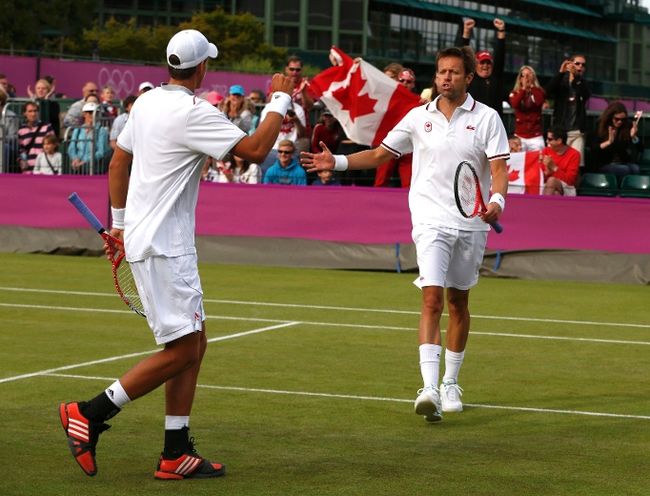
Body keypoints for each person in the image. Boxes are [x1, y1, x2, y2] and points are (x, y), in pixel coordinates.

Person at [58, 28, 294, 479]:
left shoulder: (145, 102)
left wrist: (120, 226)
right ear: (202, 67)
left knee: (194, 343)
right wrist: (278, 100)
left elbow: (117, 162)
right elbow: (257, 150)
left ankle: (175, 451)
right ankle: (89, 412)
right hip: (165, 249)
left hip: (154, 242)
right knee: (183, 350)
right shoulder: (192, 112)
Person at [301, 46, 509, 423]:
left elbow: (498, 170)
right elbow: (382, 155)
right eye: (441, 72)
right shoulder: (417, 117)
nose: (446, 77)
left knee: (459, 303)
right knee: (431, 299)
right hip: (430, 221)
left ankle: (450, 383)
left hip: (472, 224)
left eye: (454, 72)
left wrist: (497, 201)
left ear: (468, 77)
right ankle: (428, 387)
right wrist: (340, 161)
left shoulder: (489, 118)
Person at [545, 54, 591, 165]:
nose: (580, 67)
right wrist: (561, 72)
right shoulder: (562, 81)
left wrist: (576, 79)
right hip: (560, 132)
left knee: (576, 163)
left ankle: (573, 183)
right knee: (556, 162)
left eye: (583, 65)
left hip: (577, 132)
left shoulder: (582, 82)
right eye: (577, 64)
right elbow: (548, 91)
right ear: (570, 64)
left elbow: (586, 95)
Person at [461, 17, 507, 123]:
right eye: (482, 62)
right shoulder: (470, 79)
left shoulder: (496, 78)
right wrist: (466, 33)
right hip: (473, 125)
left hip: (494, 125)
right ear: (475, 64)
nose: (485, 66)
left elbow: (500, 55)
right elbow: (464, 56)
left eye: (488, 63)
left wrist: (501, 31)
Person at [591, 102, 643, 178]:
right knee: (625, 170)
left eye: (623, 119)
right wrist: (608, 142)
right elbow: (593, 148)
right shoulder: (601, 126)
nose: (620, 122)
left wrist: (633, 137)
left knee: (635, 169)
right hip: (605, 163)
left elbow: (641, 148)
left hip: (622, 162)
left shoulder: (627, 125)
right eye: (617, 119)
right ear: (610, 117)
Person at [508, 65, 545, 151]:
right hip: (520, 135)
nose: (526, 78)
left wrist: (532, 86)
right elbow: (515, 104)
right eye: (524, 75)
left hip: (536, 136)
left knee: (538, 161)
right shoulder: (515, 93)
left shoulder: (539, 91)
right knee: (518, 161)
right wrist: (523, 89)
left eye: (529, 75)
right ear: (520, 78)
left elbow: (539, 102)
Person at [66, 102, 110, 174]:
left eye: (96, 113)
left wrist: (85, 161)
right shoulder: (78, 129)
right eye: (90, 112)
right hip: (77, 168)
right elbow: (72, 147)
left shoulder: (102, 130)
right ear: (84, 114)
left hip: (95, 169)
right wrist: (75, 159)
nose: (93, 115)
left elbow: (101, 152)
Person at [541, 126, 580, 196]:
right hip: (546, 187)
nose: (547, 141)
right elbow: (539, 177)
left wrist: (554, 168)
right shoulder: (545, 151)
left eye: (549, 139)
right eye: (546, 138)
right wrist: (547, 173)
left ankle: (543, 205)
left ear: (559, 141)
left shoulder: (574, 154)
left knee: (551, 180)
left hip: (567, 187)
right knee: (555, 193)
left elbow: (570, 181)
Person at [17, 101, 55, 173]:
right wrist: (22, 160)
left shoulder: (47, 127)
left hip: (44, 168)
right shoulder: (21, 130)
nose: (33, 114)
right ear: (24, 113)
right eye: (30, 111)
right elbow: (21, 149)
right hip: (28, 168)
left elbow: (53, 146)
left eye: (35, 111)